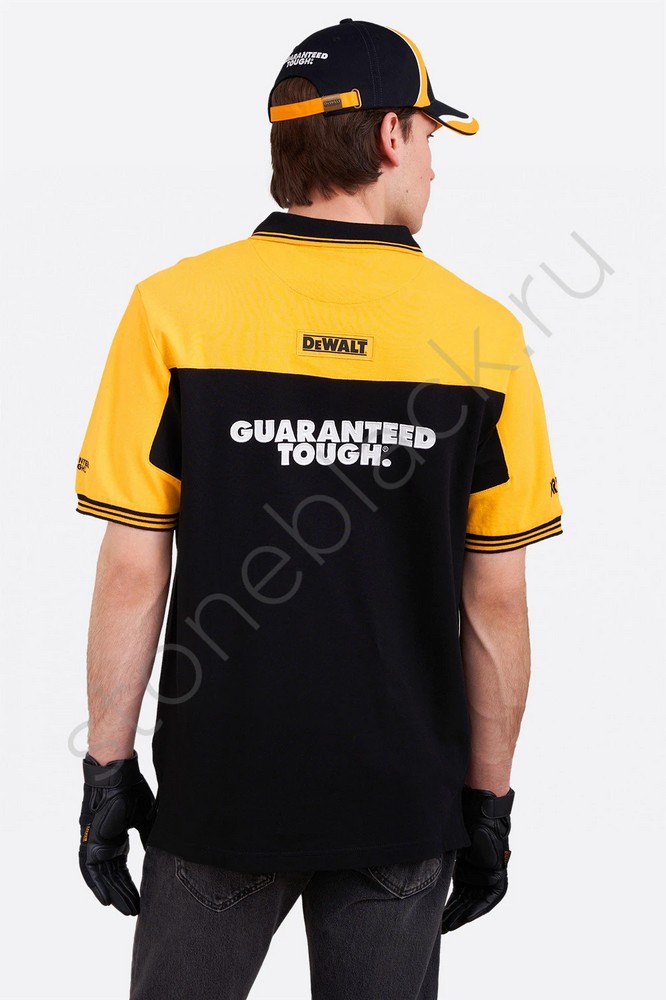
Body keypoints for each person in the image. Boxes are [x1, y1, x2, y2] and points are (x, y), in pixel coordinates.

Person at [75, 17, 563, 1000]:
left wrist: (107, 771)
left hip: (221, 797)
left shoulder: (172, 309)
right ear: (389, 134)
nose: (435, 164)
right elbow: (496, 601)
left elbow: (134, 568)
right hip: (400, 803)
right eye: (430, 136)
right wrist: (490, 798)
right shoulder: (482, 337)